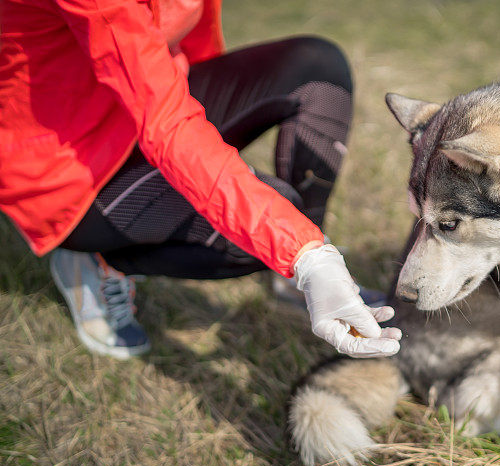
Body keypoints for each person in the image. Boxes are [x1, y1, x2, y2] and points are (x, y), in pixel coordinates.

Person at [0, 0, 401, 359]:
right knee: (278, 223)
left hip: (153, 95)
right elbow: (168, 127)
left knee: (318, 67)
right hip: (70, 170)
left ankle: (309, 279)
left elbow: (181, 48)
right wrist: (303, 254)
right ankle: (100, 260)